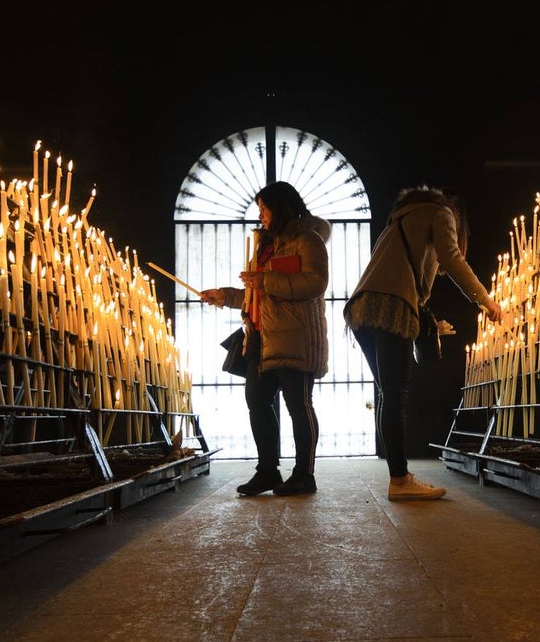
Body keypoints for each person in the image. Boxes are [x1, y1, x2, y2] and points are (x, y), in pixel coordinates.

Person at [345, 185, 503, 502]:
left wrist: (428, 326)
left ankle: (398, 476)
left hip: (362, 309)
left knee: (388, 393)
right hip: (391, 308)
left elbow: (394, 278)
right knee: (396, 394)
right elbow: (452, 258)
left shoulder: (400, 218)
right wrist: (486, 301)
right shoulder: (441, 213)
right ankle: (400, 480)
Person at [200, 182, 331, 497]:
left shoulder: (308, 240)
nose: (260, 215)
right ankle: (268, 470)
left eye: (264, 208)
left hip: (295, 338)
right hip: (261, 338)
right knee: (257, 402)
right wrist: (225, 296)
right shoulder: (265, 245)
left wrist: (266, 280)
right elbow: (255, 292)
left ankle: (304, 474)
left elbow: (315, 282)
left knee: (298, 405)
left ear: (281, 207)